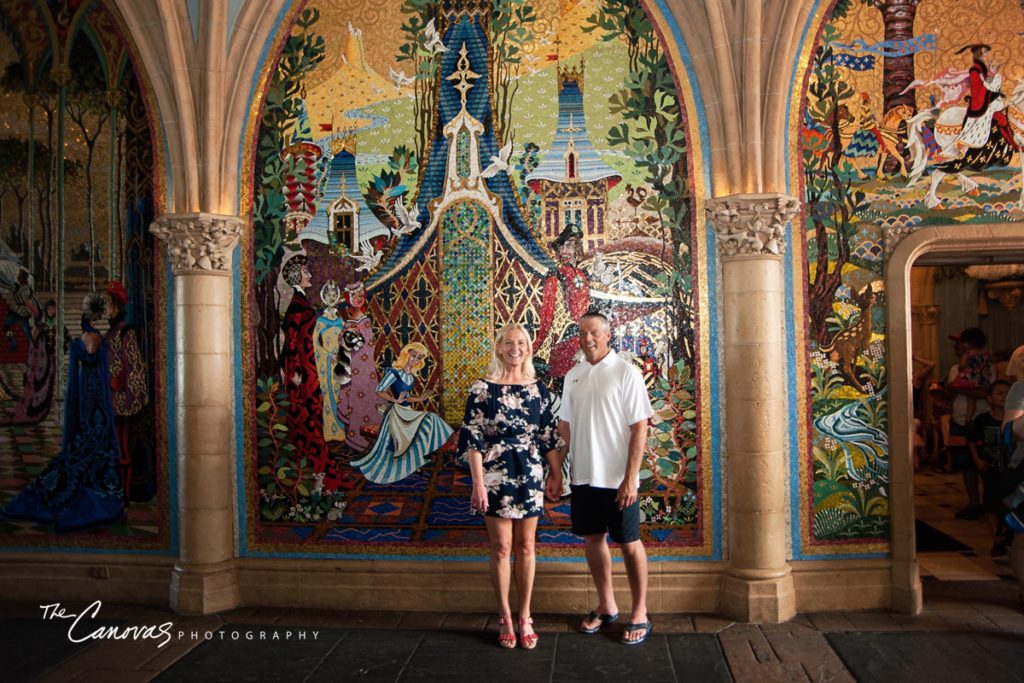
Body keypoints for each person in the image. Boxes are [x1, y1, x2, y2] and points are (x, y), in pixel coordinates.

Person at [547, 311, 654, 645]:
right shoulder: (573, 376)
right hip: (582, 477)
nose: (587, 339)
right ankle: (607, 605)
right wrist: (555, 472)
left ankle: (640, 612)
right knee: (592, 540)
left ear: (608, 335)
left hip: (618, 479)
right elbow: (564, 427)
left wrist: (630, 478)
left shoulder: (626, 373)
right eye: (582, 333)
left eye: (594, 332)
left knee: (628, 542)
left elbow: (640, 428)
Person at [459, 323, 562, 649]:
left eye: (521, 343)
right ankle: (504, 615)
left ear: (528, 348)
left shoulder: (538, 389)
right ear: (499, 348)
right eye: (508, 343)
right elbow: (472, 441)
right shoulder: (481, 389)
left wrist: (556, 474)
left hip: (530, 473)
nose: (515, 348)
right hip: (493, 475)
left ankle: (525, 615)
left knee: (528, 547)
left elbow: (547, 435)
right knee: (502, 547)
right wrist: (477, 484)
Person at [2, 292, 123, 530]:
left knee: (79, 445)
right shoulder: (101, 340)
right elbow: (106, 371)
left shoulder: (81, 341)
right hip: (99, 394)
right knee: (97, 440)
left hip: (83, 394)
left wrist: (74, 405)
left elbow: (73, 381)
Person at [351, 342, 453, 484]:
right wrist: (394, 399)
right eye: (413, 355)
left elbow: (406, 397)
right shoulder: (393, 373)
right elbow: (380, 390)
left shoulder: (411, 377)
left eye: (419, 357)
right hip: (396, 413)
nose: (415, 359)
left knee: (431, 419)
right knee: (402, 437)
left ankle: (413, 462)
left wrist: (420, 398)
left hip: (407, 411)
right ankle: (400, 465)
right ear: (407, 354)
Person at [105, 281, 148, 501]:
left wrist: (118, 386)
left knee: (122, 448)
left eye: (108, 304)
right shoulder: (110, 333)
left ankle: (124, 493)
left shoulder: (126, 332)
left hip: (122, 401)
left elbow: (133, 366)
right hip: (110, 399)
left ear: (116, 306)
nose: (105, 308)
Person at [945, 327, 994, 519]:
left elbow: (985, 391)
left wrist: (961, 390)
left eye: (960, 343)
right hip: (960, 421)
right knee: (966, 465)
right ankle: (974, 503)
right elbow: (949, 391)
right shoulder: (955, 369)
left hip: (983, 419)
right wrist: (953, 389)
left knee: (987, 464)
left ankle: (990, 503)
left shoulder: (985, 365)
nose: (957, 347)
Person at [967, 380, 1012, 558]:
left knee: (1009, 503)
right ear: (990, 399)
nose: (1004, 397)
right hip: (990, 468)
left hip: (1011, 469)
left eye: (1007, 393)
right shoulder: (983, 419)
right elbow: (971, 440)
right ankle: (997, 540)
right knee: (991, 505)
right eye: (999, 393)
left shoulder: (1015, 419)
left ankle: (1007, 533)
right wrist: (977, 459)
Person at [336, 282, 381, 451]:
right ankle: (356, 438)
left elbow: (365, 344)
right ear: (349, 299)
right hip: (351, 364)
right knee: (354, 396)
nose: (359, 299)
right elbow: (344, 343)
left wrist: (351, 342)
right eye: (355, 296)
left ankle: (368, 438)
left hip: (364, 366)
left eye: (361, 296)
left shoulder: (365, 320)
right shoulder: (348, 321)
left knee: (365, 396)